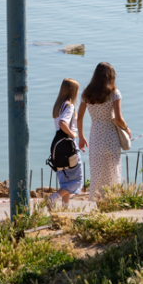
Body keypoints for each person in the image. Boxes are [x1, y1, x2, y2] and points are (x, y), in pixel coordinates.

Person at [78, 62, 131, 202]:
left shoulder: (86, 94)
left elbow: (80, 118)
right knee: (112, 170)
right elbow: (119, 119)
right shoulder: (114, 93)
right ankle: (111, 201)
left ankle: (97, 202)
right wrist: (126, 129)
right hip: (110, 135)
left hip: (95, 135)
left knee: (97, 172)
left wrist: (81, 137)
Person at [49, 78, 82, 208]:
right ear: (73, 91)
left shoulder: (59, 106)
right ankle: (53, 198)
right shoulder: (69, 106)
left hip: (58, 147)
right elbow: (63, 123)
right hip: (69, 146)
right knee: (77, 179)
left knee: (65, 180)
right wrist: (73, 133)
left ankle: (65, 208)